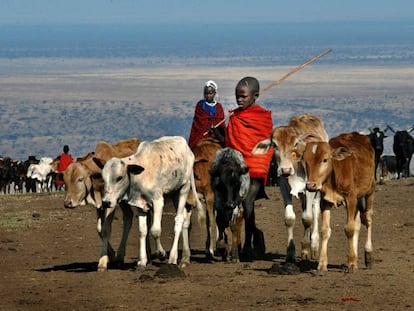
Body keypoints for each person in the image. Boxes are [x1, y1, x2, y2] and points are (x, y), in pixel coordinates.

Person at [225, 76, 274, 259]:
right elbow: (231, 142)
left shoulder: (262, 117)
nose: (239, 100)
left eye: (243, 96)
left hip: (255, 164)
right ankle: (247, 238)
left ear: (255, 96)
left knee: (247, 203)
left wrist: (253, 159)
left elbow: (265, 143)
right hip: (237, 164)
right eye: (237, 96)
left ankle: (248, 243)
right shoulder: (234, 116)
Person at [188, 80, 226, 149]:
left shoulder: (219, 107)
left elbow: (221, 123)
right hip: (202, 135)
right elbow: (198, 124)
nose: (208, 95)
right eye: (206, 93)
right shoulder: (200, 105)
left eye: (210, 93)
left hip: (217, 135)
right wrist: (208, 126)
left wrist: (215, 128)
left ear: (214, 93)